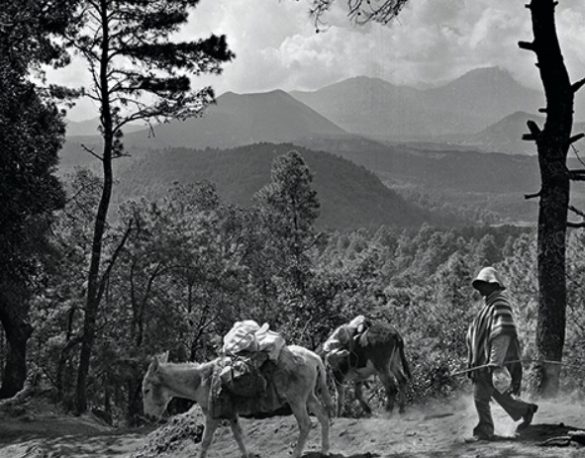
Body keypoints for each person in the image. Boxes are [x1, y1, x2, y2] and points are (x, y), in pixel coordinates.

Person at [466, 267, 538, 441]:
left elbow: (502, 334)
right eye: (479, 285)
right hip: (485, 361)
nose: (480, 289)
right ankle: (525, 410)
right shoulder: (489, 306)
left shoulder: (499, 304)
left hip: (494, 361)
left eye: (483, 284)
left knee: (480, 397)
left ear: (493, 284)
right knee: (499, 395)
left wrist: (495, 362)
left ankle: (485, 431)